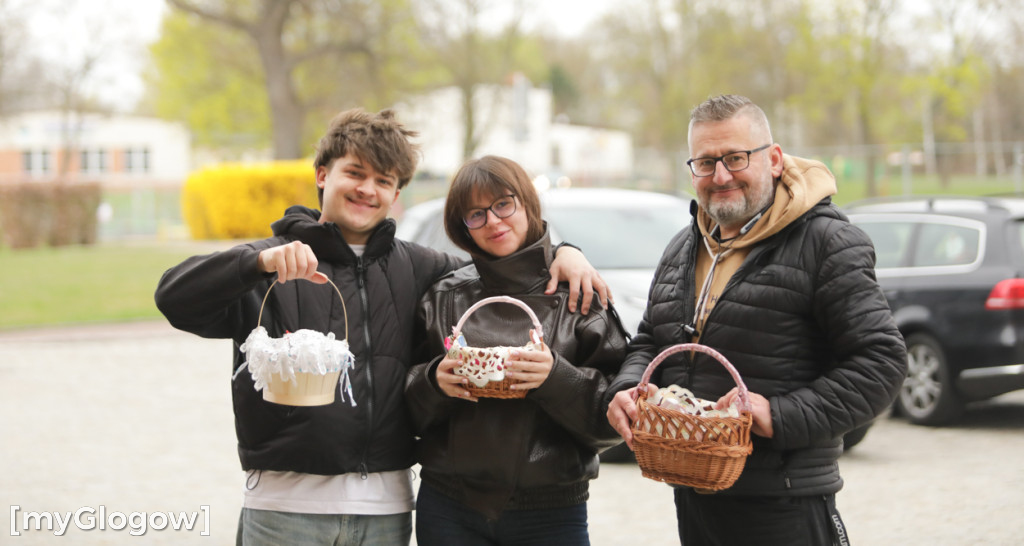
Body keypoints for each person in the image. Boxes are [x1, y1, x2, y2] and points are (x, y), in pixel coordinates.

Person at [154, 109, 609, 546]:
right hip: (283, 510)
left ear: (396, 196)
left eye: (383, 180)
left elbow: (501, 268)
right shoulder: (273, 261)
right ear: (322, 174)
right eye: (355, 173)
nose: (367, 189)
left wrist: (564, 252)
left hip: (387, 513)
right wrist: (255, 262)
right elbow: (173, 299)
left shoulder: (423, 269)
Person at [605, 95, 907, 546]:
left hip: (783, 503)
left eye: (735, 158)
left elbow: (881, 361)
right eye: (705, 162)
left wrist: (778, 415)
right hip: (695, 496)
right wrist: (626, 389)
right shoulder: (683, 247)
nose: (720, 175)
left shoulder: (827, 242)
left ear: (775, 159)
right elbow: (651, 338)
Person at [406, 155, 629, 546]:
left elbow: (615, 420)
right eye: (475, 214)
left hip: (552, 511)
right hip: (449, 507)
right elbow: (402, 406)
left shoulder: (579, 294)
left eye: (503, 204)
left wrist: (556, 377)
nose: (493, 221)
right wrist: (431, 382)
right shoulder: (444, 297)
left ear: (526, 202)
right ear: (463, 228)